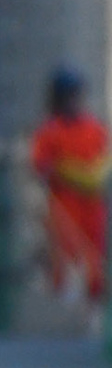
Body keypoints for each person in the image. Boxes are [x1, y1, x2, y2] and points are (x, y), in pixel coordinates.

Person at [30, 67, 110, 301]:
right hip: (64, 206)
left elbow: (104, 158)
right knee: (65, 260)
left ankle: (93, 304)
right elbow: (41, 167)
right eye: (69, 96)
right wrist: (66, 172)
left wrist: (94, 175)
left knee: (96, 259)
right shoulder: (49, 131)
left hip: (93, 206)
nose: (74, 102)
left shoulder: (94, 128)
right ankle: (65, 309)